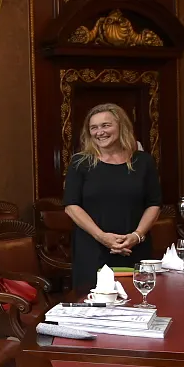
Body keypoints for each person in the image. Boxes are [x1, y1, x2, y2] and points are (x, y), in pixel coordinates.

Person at [63, 103, 162, 290]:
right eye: (94, 127)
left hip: (134, 248)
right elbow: (71, 205)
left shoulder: (143, 161)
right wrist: (102, 237)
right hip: (93, 250)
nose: (100, 132)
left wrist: (137, 235)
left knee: (137, 306)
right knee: (93, 309)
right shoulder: (80, 162)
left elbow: (154, 204)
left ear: (121, 126)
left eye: (106, 125)